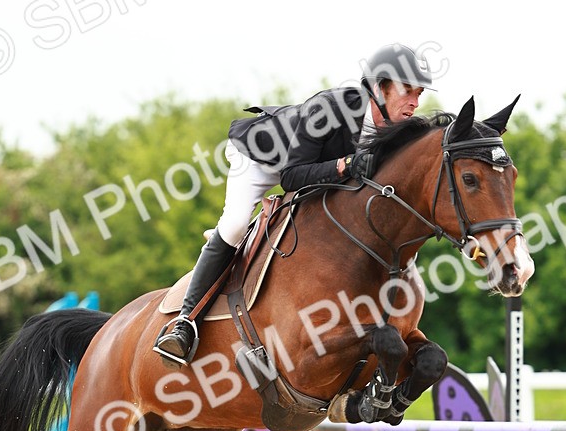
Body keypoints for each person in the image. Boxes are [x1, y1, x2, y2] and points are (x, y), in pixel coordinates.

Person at [154, 42, 435, 365]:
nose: (414, 103)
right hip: (261, 158)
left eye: (419, 94)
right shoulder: (330, 109)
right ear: (378, 88)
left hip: (314, 169)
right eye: (407, 92)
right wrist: (343, 166)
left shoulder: (397, 130)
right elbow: (290, 177)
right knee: (234, 225)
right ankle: (185, 322)